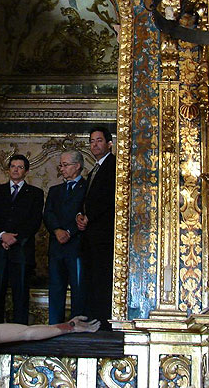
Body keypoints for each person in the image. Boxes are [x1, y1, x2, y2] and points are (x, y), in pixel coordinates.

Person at [0, 154, 44, 324]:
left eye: (20, 167)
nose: (16, 170)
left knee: (21, 294)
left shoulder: (35, 194)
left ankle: (19, 333)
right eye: (13, 166)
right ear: (8, 169)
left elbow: (34, 221)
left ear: (26, 171)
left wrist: (14, 239)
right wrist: (2, 236)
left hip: (21, 251)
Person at [76, 127, 116, 330]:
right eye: (92, 141)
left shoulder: (113, 165)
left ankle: (103, 321)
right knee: (92, 279)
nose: (95, 145)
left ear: (109, 143)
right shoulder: (94, 170)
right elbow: (86, 201)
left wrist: (90, 216)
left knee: (102, 279)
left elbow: (110, 198)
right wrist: (80, 216)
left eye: (99, 140)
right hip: (91, 236)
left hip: (104, 235)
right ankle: (94, 319)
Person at [43, 150, 87, 324]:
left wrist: (69, 231)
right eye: (60, 165)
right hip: (56, 247)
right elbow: (48, 214)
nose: (62, 168)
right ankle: (54, 327)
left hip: (76, 246)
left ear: (77, 166)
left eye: (65, 165)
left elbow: (84, 213)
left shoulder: (87, 188)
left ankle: (78, 327)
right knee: (55, 288)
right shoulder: (55, 190)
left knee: (78, 289)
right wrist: (57, 230)